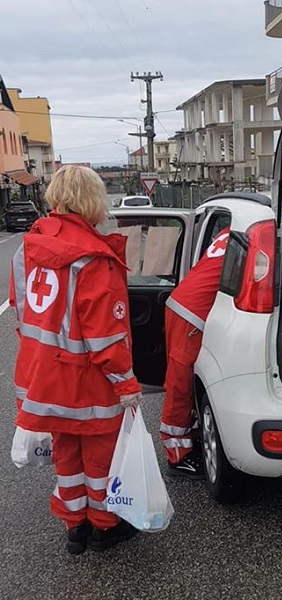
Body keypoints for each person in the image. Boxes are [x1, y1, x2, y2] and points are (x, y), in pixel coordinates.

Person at [9, 165, 142, 555]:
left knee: (66, 451)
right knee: (100, 456)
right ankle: (103, 526)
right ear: (92, 200)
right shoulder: (93, 258)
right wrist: (127, 385)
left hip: (43, 375)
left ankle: (74, 527)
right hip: (87, 380)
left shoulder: (29, 247)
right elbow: (106, 335)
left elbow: (22, 310)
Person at [160, 227, 230, 479]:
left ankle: (187, 438)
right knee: (181, 384)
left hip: (183, 305)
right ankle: (178, 455)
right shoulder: (258, 230)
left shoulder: (232, 228)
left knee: (184, 380)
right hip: (193, 315)